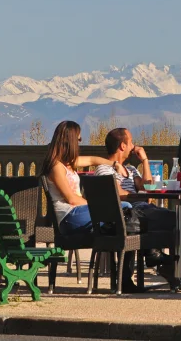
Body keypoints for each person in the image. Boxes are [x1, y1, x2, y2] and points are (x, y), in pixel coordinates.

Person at [41, 121, 142, 292]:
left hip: (82, 213)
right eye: (78, 137)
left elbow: (93, 159)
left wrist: (114, 165)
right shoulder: (56, 167)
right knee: (123, 208)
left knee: (126, 218)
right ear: (70, 139)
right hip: (70, 218)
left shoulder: (69, 163)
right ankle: (125, 274)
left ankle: (123, 279)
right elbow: (71, 199)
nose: (80, 140)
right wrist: (98, 205)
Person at [94, 128, 175, 272]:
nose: (134, 146)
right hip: (124, 215)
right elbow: (119, 194)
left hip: (140, 210)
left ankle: (162, 262)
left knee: (177, 220)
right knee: (175, 220)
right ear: (122, 146)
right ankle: (156, 257)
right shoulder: (104, 169)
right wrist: (142, 195)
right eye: (131, 142)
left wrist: (144, 160)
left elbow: (147, 186)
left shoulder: (130, 169)